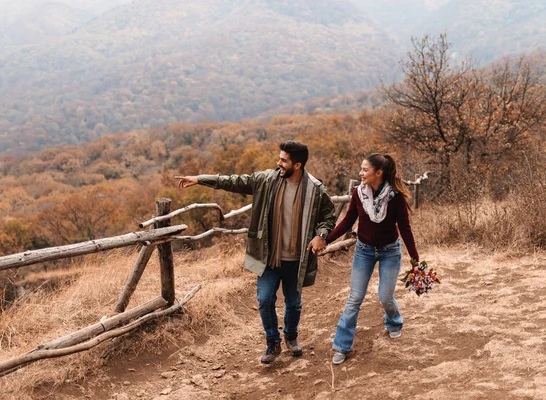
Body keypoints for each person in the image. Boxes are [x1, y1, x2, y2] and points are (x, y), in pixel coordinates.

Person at [175, 141, 336, 364]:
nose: (278, 163)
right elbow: (233, 181)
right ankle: (273, 342)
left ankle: (291, 337)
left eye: (283, 160)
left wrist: (322, 234)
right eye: (279, 158)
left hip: (297, 259)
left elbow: (329, 216)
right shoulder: (266, 180)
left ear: (297, 165)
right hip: (268, 256)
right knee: (264, 299)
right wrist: (201, 179)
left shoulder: (315, 190)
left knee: (294, 303)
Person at [324, 153, 419, 365]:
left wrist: (415, 259)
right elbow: (348, 221)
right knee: (355, 298)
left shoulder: (395, 198)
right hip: (364, 251)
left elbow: (405, 228)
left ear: (379, 173)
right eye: (361, 169)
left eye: (365, 170)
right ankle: (341, 345)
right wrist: (326, 240)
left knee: (385, 297)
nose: (361, 173)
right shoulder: (359, 193)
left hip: (389, 251)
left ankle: (394, 321)